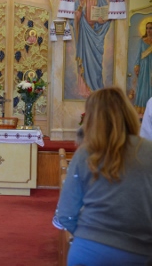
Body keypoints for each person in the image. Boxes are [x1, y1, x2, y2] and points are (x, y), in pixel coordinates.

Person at [55, 87, 152, 265]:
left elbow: (66, 215)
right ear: (129, 113)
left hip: (86, 252)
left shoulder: (85, 154)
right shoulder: (148, 151)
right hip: (137, 253)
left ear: (91, 118)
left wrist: (89, 236)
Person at [72, 0, 111, 98]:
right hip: (84, 34)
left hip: (95, 35)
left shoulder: (101, 1)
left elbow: (108, 17)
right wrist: (80, 10)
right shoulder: (79, 1)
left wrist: (102, 21)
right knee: (84, 60)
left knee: (96, 64)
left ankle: (96, 89)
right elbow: (74, 20)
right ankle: (84, 89)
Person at [133, 22, 152, 115]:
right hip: (144, 67)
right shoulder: (142, 40)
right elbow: (139, 54)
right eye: (147, 28)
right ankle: (142, 109)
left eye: (151, 28)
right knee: (143, 86)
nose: (149, 30)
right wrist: (137, 65)